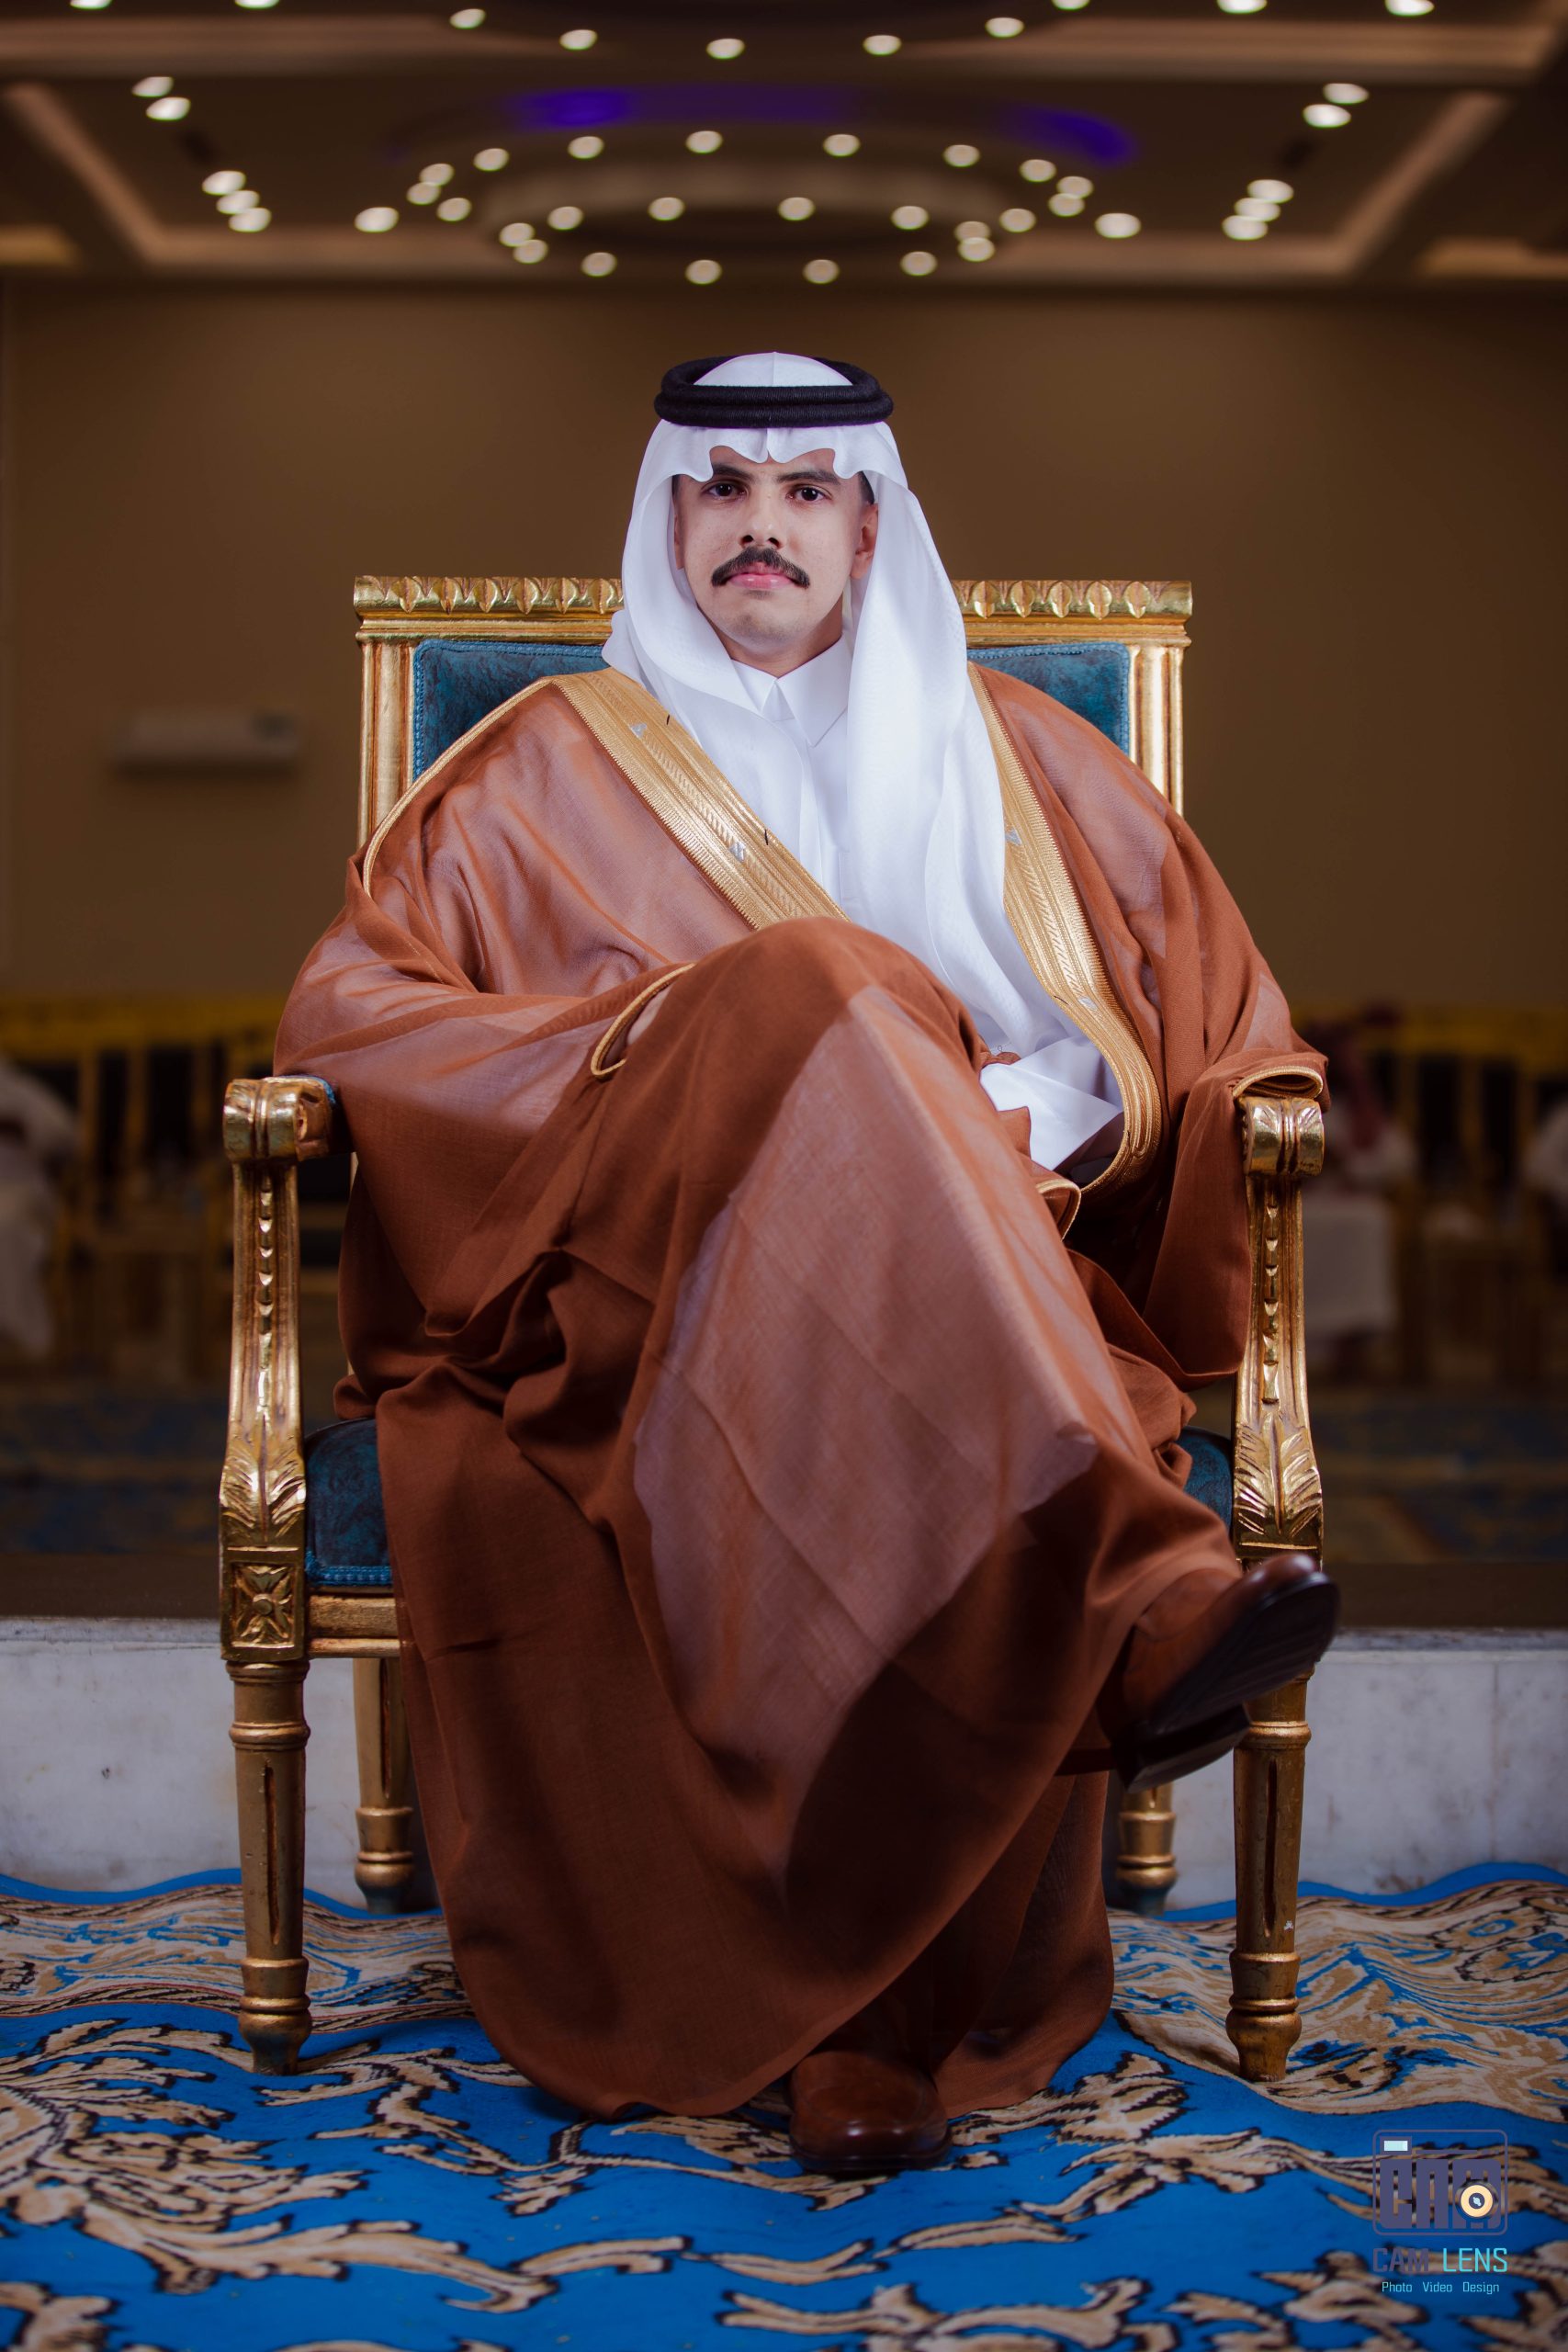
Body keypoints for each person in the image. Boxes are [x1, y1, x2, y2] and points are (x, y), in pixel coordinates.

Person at [278, 353, 1337, 2177]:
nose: (757, 522)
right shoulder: (533, 770)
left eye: (802, 487)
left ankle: (868, 2022)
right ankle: (1136, 1589)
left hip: (987, 1287)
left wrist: (966, 1133)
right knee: (817, 978)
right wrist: (675, 1058)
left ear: (869, 521)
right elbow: (352, 1023)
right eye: (719, 486)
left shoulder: (1032, 763)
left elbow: (1221, 1045)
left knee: (887, 1330)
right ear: (666, 513)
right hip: (638, 1303)